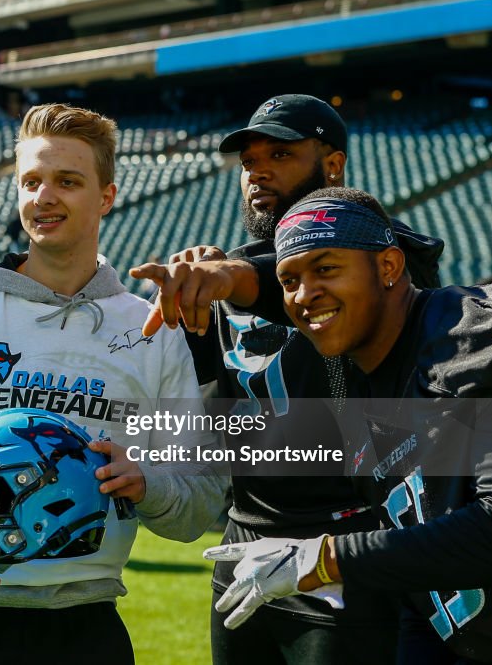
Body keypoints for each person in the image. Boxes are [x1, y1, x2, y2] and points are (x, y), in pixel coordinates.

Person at [0, 103, 228, 664]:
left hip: (82, 624)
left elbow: (200, 501)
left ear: (106, 197)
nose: (44, 198)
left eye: (67, 181)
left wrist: (145, 484)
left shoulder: (151, 330)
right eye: (31, 181)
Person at [131, 95, 445, 664]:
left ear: (332, 164)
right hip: (242, 543)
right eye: (249, 161)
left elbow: (279, 286)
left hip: (344, 545)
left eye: (280, 153)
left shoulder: (382, 256)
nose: (258, 172)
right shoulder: (220, 276)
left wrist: (233, 276)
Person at [206, 186, 492, 664]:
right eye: (289, 280)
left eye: (326, 269)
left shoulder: (469, 332)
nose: (304, 295)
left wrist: (328, 559)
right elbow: (424, 588)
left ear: (389, 267)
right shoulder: (352, 394)